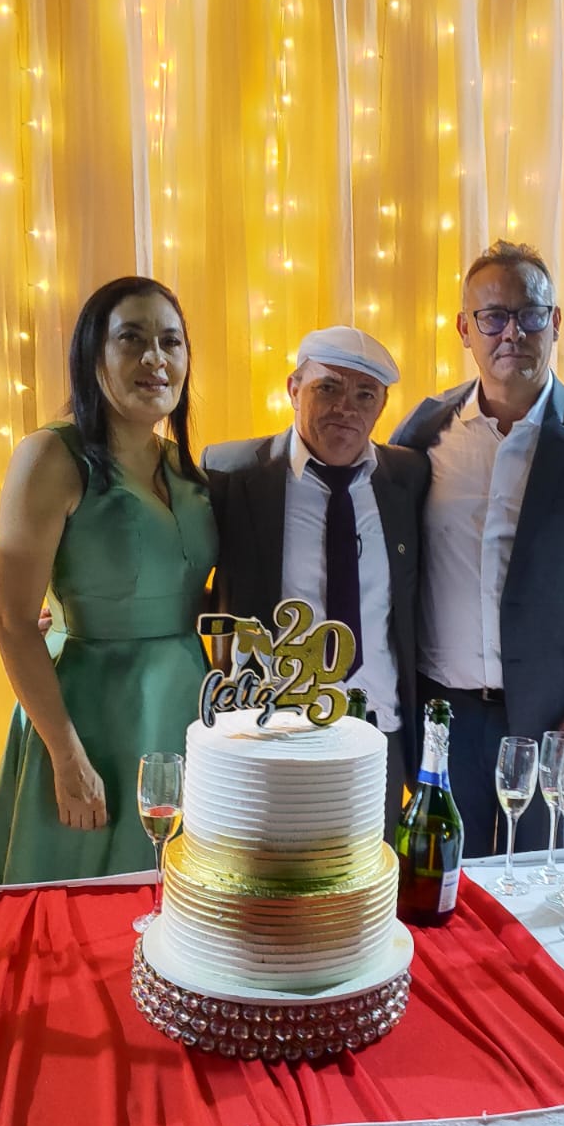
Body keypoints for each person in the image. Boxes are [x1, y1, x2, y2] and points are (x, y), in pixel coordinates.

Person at [389, 239, 564, 856]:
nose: (511, 332)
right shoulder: (424, 432)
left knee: (538, 879)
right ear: (465, 329)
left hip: (553, 719)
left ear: (555, 321)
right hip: (443, 713)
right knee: (443, 879)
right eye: (492, 316)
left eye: (530, 313)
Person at [0, 276, 218, 884]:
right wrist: (66, 756)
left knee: (181, 899)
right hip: (88, 714)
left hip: (184, 704)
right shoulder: (51, 456)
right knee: (82, 901)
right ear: (92, 354)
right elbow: (10, 619)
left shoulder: (185, 468)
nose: (155, 358)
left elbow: (190, 591)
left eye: (171, 341)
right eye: (131, 338)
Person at [202, 327, 429, 840]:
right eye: (328, 388)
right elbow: (180, 569)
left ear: (381, 406)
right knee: (269, 871)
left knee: (369, 869)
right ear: (293, 388)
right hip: (269, 723)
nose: (346, 408)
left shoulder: (409, 477)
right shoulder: (230, 472)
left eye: (365, 394)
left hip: (378, 726)